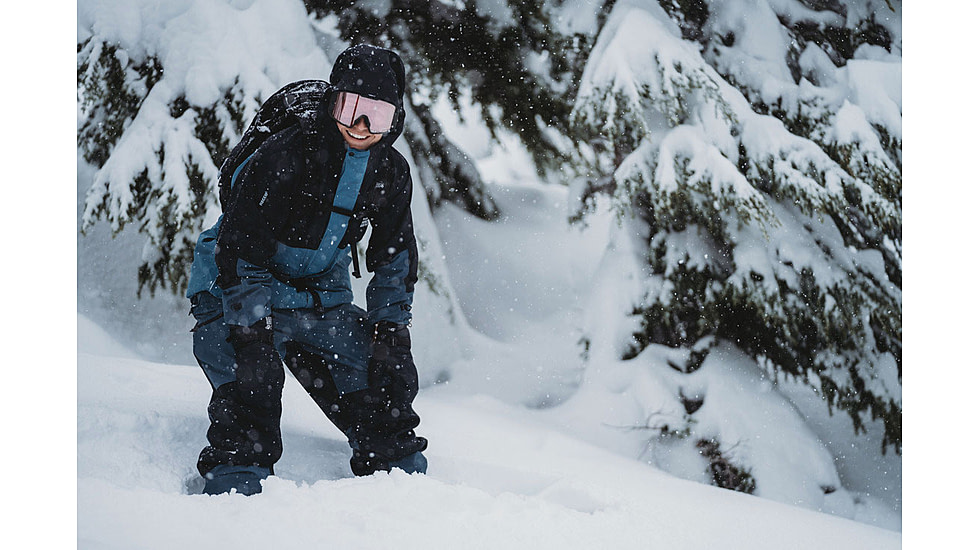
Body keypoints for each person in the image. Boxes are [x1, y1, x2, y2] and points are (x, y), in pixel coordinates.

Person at [185, 44, 428, 496]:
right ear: (333, 102)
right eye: (351, 109)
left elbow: (395, 256)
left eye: (375, 115)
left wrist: (391, 330)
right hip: (234, 290)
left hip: (317, 298)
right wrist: (251, 331)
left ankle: (396, 479)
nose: (360, 126)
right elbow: (240, 250)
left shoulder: (389, 173)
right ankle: (236, 485)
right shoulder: (286, 156)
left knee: (382, 376)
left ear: (394, 120)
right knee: (251, 378)